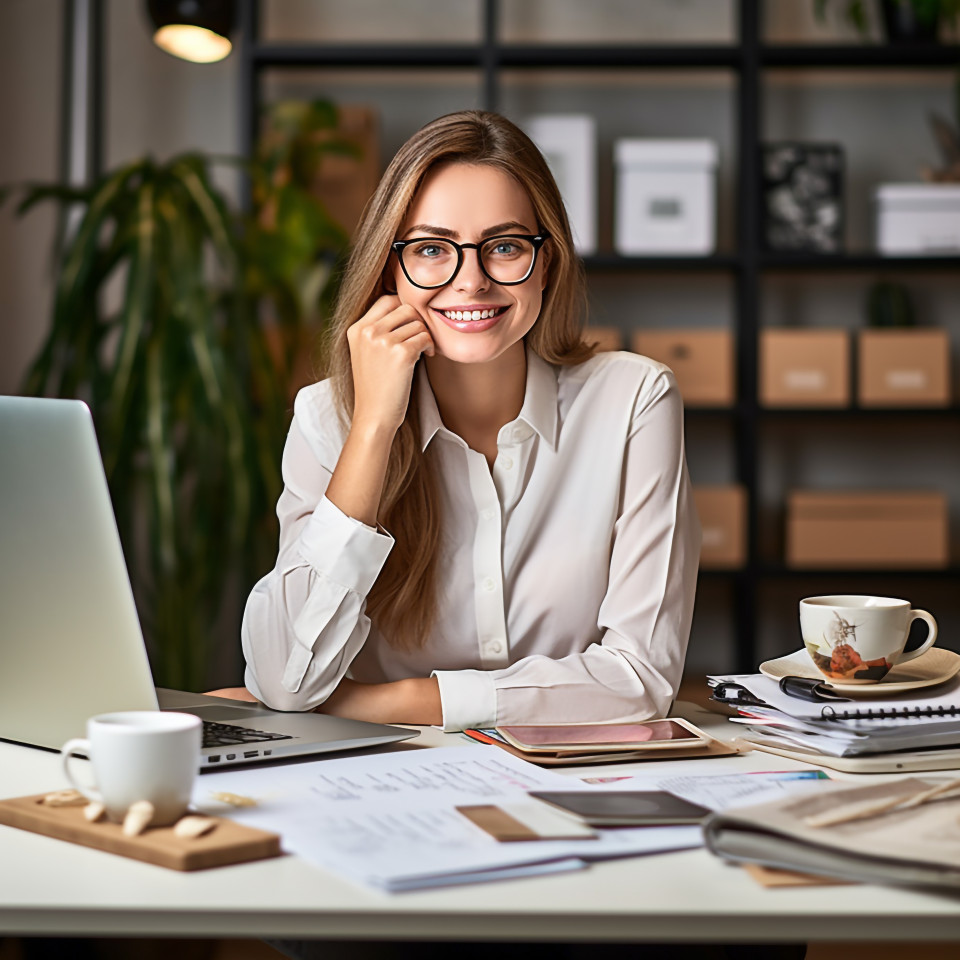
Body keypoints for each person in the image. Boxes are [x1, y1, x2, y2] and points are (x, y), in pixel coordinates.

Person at [233, 109, 701, 733]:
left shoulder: (633, 399)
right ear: (389, 269)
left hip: (570, 782)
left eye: (505, 247)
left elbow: (640, 679)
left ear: (549, 261)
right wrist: (374, 427)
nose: (471, 282)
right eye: (431, 249)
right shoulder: (328, 418)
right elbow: (288, 677)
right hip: (381, 786)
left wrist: (375, 704)